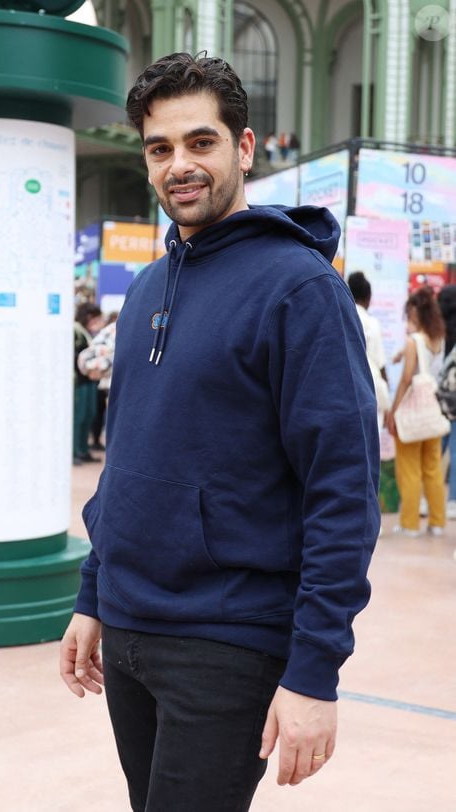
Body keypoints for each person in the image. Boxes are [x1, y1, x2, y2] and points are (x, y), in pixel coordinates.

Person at [60, 52, 380, 812]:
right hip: (131, 630)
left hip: (228, 641)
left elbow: (342, 492)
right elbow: (130, 456)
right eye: (160, 147)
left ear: (243, 147)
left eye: (200, 142)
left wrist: (313, 672)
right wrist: (94, 592)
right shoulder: (145, 289)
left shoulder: (301, 290)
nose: (180, 166)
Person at [386, 286, 446, 537]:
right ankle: (437, 522)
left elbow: (406, 379)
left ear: (415, 314)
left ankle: (410, 523)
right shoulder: (437, 339)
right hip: (432, 410)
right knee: (432, 468)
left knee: (408, 468)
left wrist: (393, 411)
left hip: (412, 412)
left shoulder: (413, 342)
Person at [347, 270, 390, 427]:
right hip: (369, 386)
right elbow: (380, 363)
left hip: (345, 387)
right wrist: (388, 401)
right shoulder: (372, 323)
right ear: (368, 298)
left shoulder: (341, 316)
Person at [73, 302, 104, 465]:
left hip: (90, 380)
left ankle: (83, 449)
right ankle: (75, 450)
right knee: (79, 417)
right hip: (80, 381)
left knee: (88, 415)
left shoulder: (86, 332)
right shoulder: (76, 330)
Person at [437, 284, 456, 520]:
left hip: (439, 399)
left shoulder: (437, 330)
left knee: (434, 449)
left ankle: (424, 500)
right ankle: (453, 501)